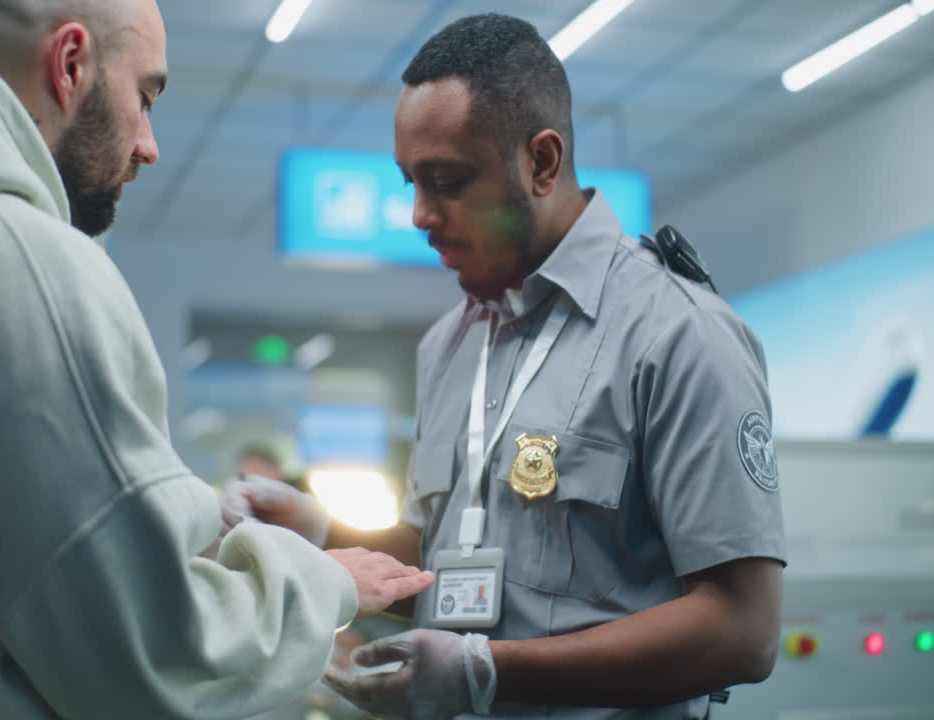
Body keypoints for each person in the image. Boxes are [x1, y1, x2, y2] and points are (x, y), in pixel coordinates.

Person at [0, 0, 433, 717]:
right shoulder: (25, 262)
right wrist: (323, 581)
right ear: (70, 65)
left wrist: (179, 521)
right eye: (145, 98)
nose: (149, 145)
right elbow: (157, 654)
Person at [230, 13, 785, 720]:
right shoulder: (450, 344)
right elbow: (448, 556)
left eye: (447, 181)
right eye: (411, 184)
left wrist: (490, 670)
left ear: (542, 163)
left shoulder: (679, 335)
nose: (420, 215)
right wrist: (317, 534)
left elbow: (746, 630)